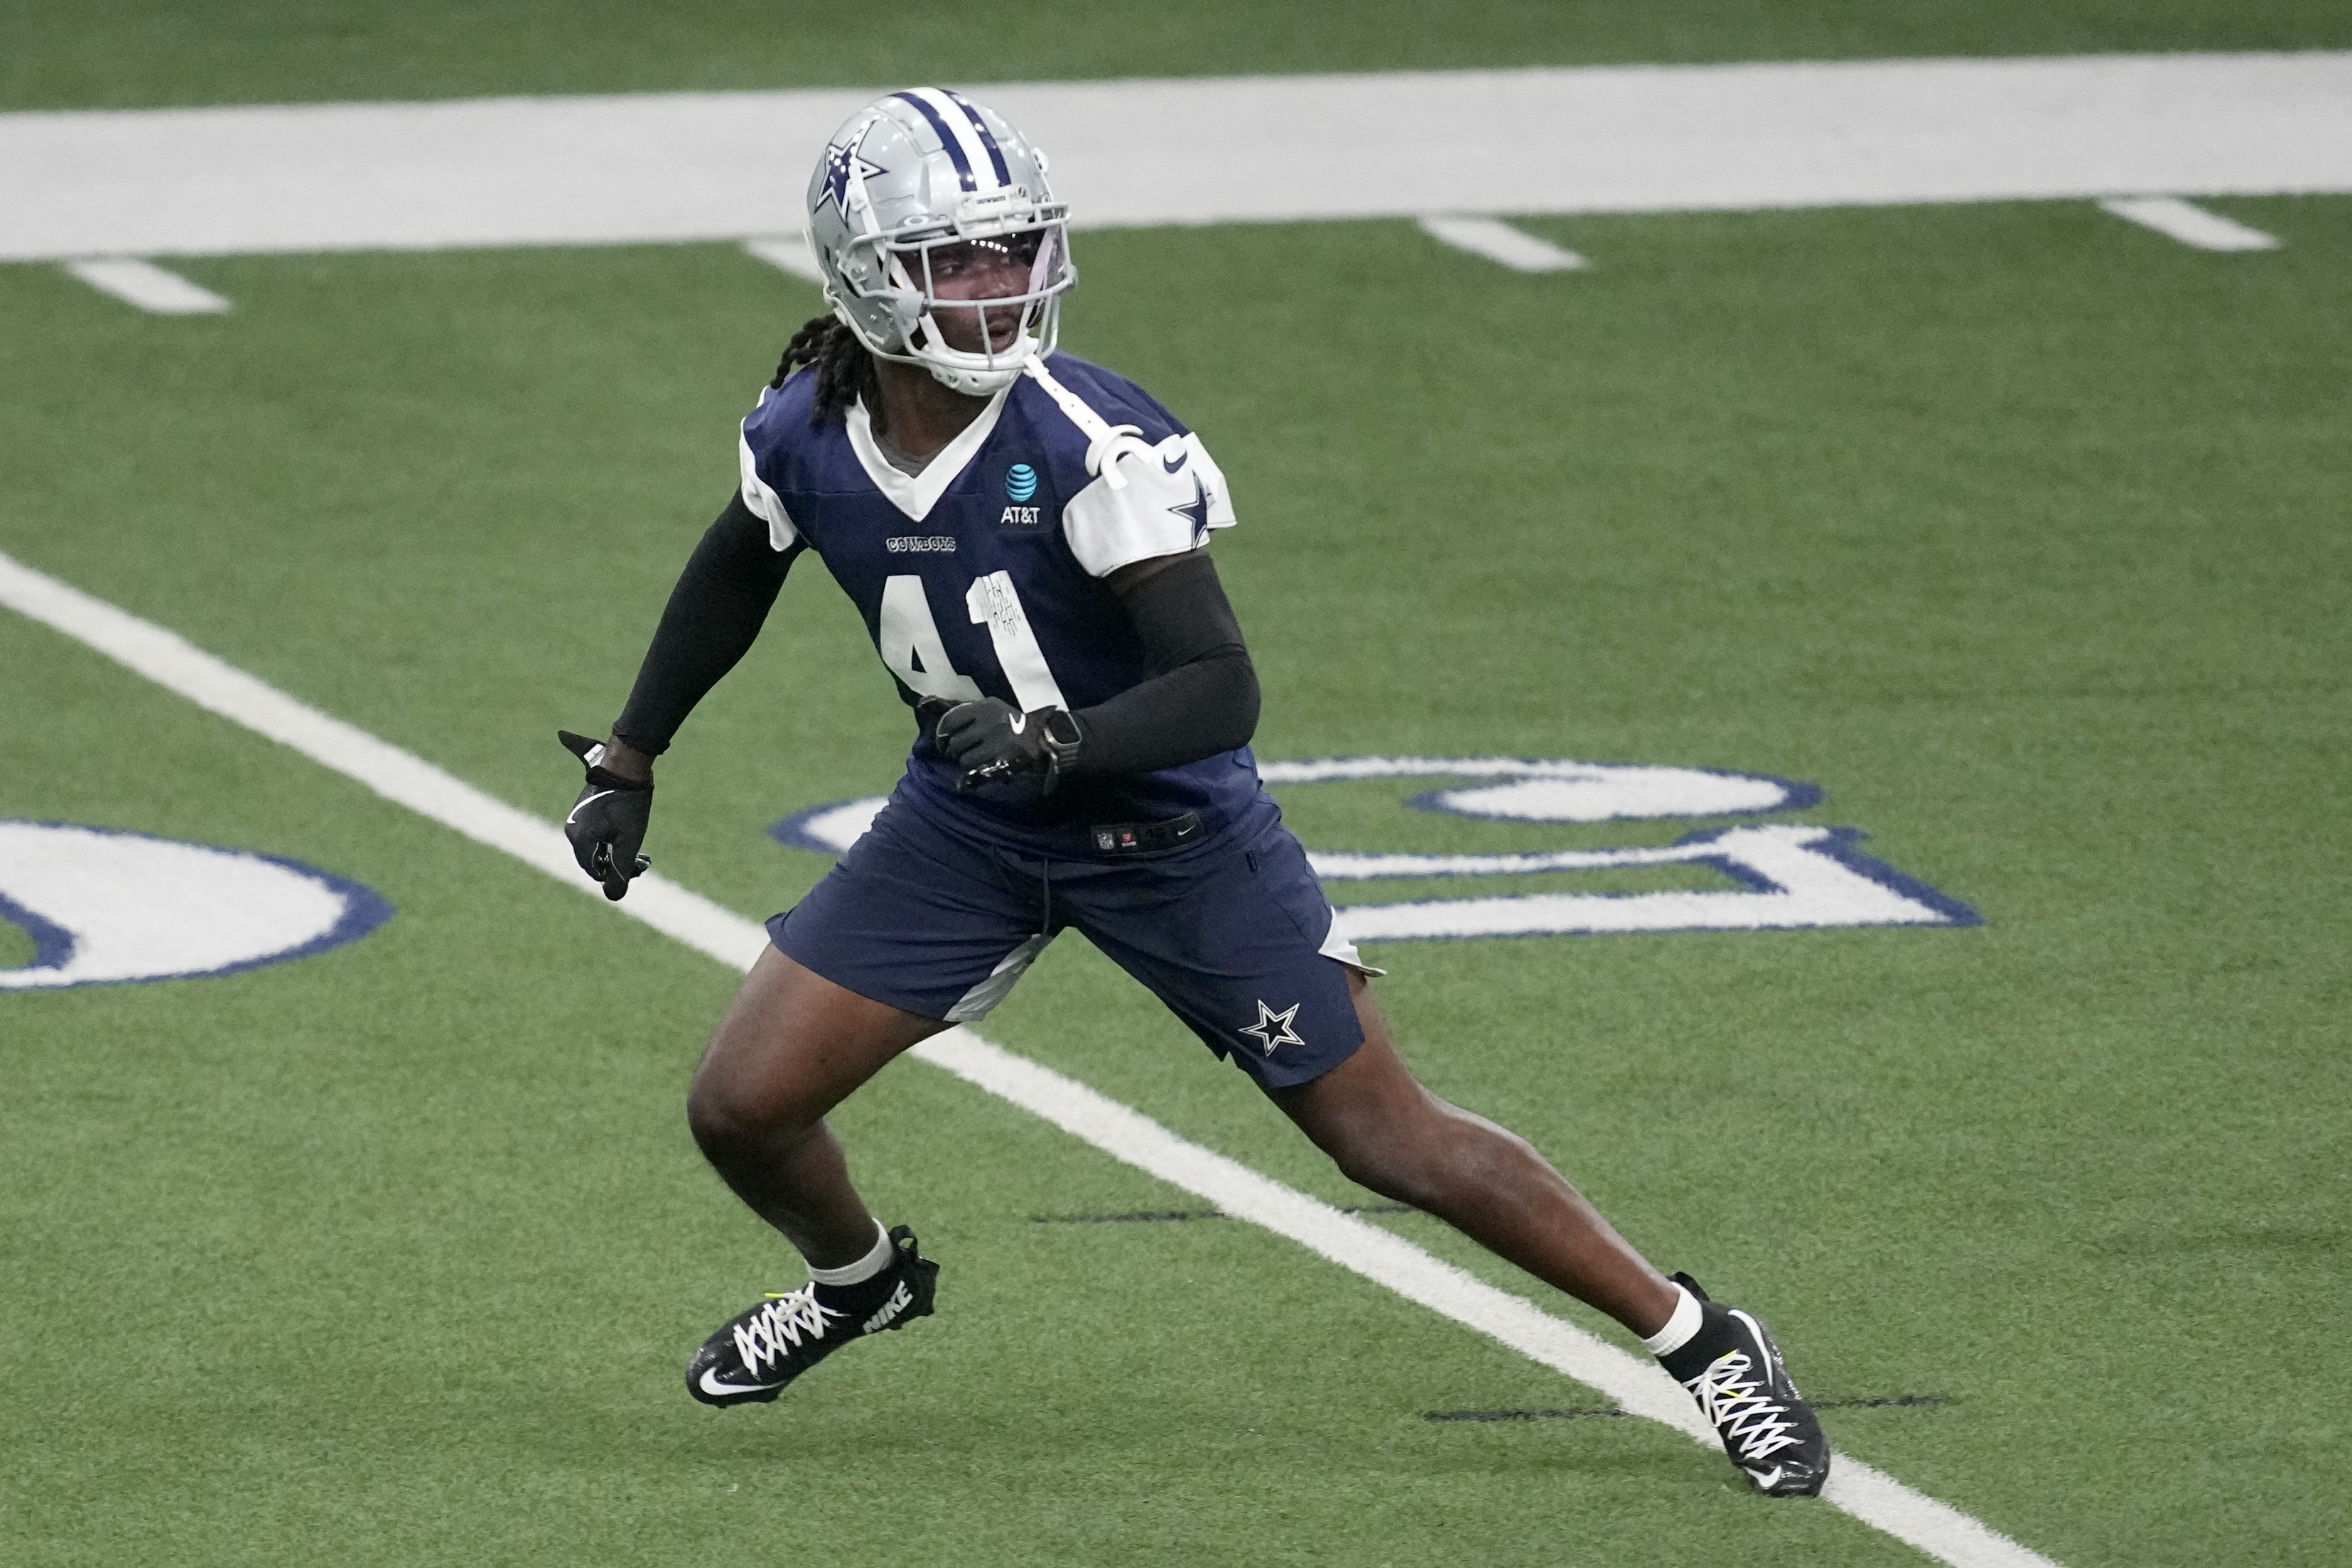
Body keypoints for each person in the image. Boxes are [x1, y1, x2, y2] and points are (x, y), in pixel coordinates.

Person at [559, 87, 1829, 1498]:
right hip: (970, 825)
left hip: (1165, 829)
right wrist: (631, 754)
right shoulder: (809, 422)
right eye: (959, 259)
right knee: (739, 1106)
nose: (1000, 287)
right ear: (865, 274)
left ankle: (1704, 1342)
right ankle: (858, 1283)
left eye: (1014, 249)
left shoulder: (1085, 439)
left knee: (1384, 1141)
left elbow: (1217, 684)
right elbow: (739, 559)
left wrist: (1056, 743)